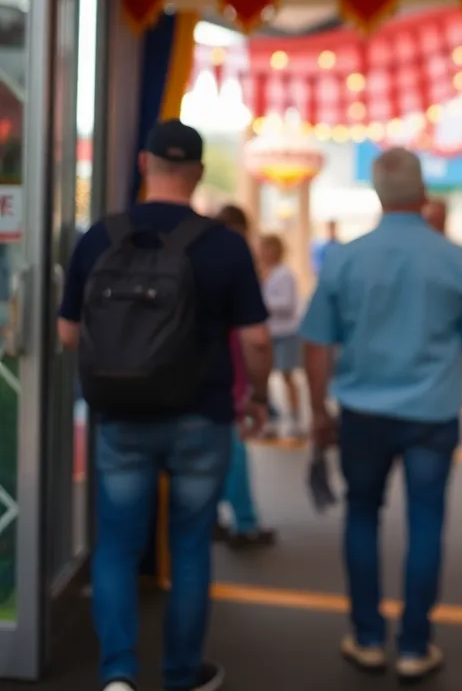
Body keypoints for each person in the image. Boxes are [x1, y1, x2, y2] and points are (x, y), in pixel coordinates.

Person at [58, 119, 271, 691]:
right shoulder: (224, 244)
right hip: (201, 417)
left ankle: (118, 674)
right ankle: (181, 674)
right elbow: (256, 339)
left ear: (143, 165)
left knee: (116, 548)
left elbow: (68, 333)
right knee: (191, 546)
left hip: (121, 417)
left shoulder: (100, 237)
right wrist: (258, 396)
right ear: (198, 173)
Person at [300, 147, 462, 682]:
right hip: (433, 413)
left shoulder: (344, 258)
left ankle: (367, 638)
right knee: (426, 522)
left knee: (362, 514)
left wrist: (317, 410)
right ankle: (414, 645)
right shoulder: (456, 259)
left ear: (378, 194)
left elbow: (316, 343)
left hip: (362, 412)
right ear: (423, 192)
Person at [212, 204, 276, 550]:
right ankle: (245, 522)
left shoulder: (200, 260)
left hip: (205, 375)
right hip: (231, 371)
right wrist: (260, 393)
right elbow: (257, 339)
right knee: (234, 450)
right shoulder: (241, 266)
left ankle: (215, 517)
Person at [258, 234, 304, 438]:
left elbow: (287, 304)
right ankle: (271, 415)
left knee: (287, 374)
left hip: (285, 332)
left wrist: (261, 305)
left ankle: (295, 417)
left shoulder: (285, 274)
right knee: (263, 376)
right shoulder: (263, 273)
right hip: (269, 331)